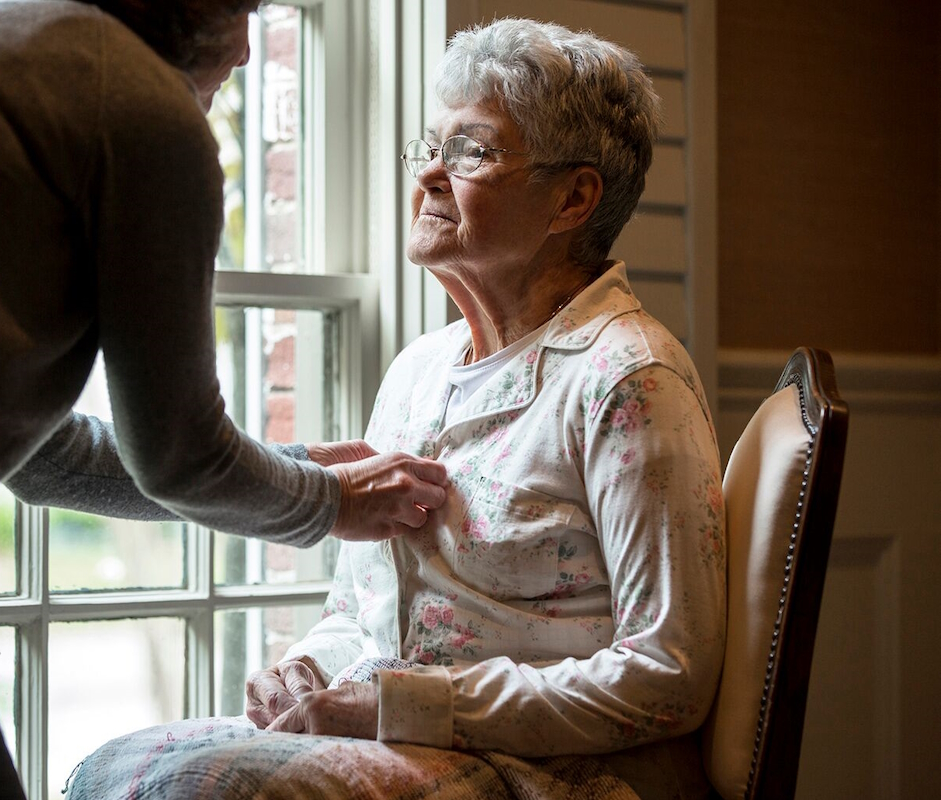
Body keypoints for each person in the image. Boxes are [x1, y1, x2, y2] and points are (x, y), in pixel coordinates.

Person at [0, 1, 448, 798]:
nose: (248, 53)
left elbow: (44, 462)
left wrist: (295, 467)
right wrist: (329, 501)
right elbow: (182, 457)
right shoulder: (143, 109)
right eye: (242, 11)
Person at [58, 16, 724, 800]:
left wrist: (411, 705)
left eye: (473, 151)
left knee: (205, 791)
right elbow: (365, 613)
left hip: (547, 772)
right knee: (113, 769)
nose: (430, 176)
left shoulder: (627, 379)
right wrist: (307, 669)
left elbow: (667, 675)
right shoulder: (418, 370)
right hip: (408, 742)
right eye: (431, 147)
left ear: (574, 198)